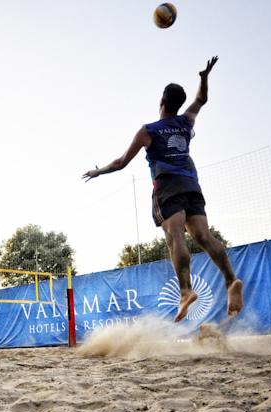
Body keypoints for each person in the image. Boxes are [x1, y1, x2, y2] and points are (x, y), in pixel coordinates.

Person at [82, 56, 243, 322]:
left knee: (175, 235)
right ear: (178, 104)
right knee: (203, 236)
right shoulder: (186, 122)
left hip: (168, 185)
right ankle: (230, 280)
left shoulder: (149, 131)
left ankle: (185, 290)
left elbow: (121, 162)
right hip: (192, 184)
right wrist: (204, 78)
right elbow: (201, 99)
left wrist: (99, 171)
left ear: (161, 101)